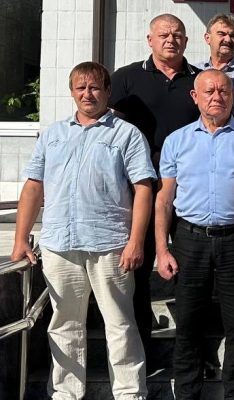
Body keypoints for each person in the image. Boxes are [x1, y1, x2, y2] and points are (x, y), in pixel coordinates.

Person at [11, 61, 155, 400]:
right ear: (72, 92)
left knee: (120, 324)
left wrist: (136, 241)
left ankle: (130, 394)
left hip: (110, 244)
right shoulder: (53, 135)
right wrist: (20, 239)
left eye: (94, 87)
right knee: (63, 324)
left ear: (107, 91)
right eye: (80, 88)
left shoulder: (126, 134)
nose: (87, 94)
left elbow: (144, 189)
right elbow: (33, 187)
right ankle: (66, 393)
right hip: (59, 244)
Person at [154, 70, 234, 400]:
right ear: (195, 97)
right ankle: (187, 393)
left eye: (223, 91)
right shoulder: (177, 141)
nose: (217, 97)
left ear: (233, 96)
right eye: (209, 91)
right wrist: (162, 249)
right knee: (188, 322)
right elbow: (164, 200)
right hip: (190, 240)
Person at [109, 12, 200, 357]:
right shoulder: (127, 78)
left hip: (188, 190)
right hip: (140, 190)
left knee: (191, 271)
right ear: (150, 40)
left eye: (177, 35)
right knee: (139, 267)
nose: (171, 40)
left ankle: (193, 353)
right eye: (163, 34)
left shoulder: (198, 81)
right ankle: (141, 350)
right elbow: (104, 123)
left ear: (186, 41)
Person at [196, 13, 234, 115]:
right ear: (207, 38)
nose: (228, 40)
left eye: (233, 36)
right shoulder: (195, 71)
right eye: (221, 34)